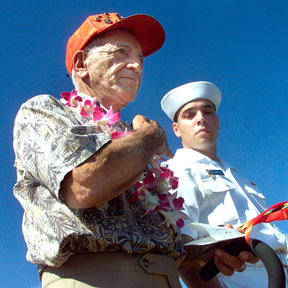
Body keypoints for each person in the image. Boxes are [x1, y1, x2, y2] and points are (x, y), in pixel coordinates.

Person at [13, 13, 257, 288]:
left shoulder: (136, 143)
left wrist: (201, 256)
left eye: (141, 59)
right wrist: (151, 135)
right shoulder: (44, 110)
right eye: (121, 52)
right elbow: (84, 186)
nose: (136, 65)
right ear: (81, 65)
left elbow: (158, 241)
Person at [161, 81, 288, 287]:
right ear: (176, 129)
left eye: (207, 112)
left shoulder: (239, 176)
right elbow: (184, 254)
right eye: (190, 114)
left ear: (218, 122)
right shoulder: (176, 171)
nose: (201, 118)